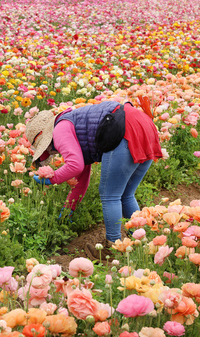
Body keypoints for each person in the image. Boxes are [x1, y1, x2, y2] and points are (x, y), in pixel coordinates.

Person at [25, 100, 163, 261]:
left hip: (123, 128)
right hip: (143, 124)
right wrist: (68, 211)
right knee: (126, 194)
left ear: (47, 139)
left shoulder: (60, 129)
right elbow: (80, 181)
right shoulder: (73, 125)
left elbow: (75, 165)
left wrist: (52, 179)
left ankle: (112, 247)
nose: (51, 152)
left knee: (110, 195)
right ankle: (142, 241)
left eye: (46, 148)